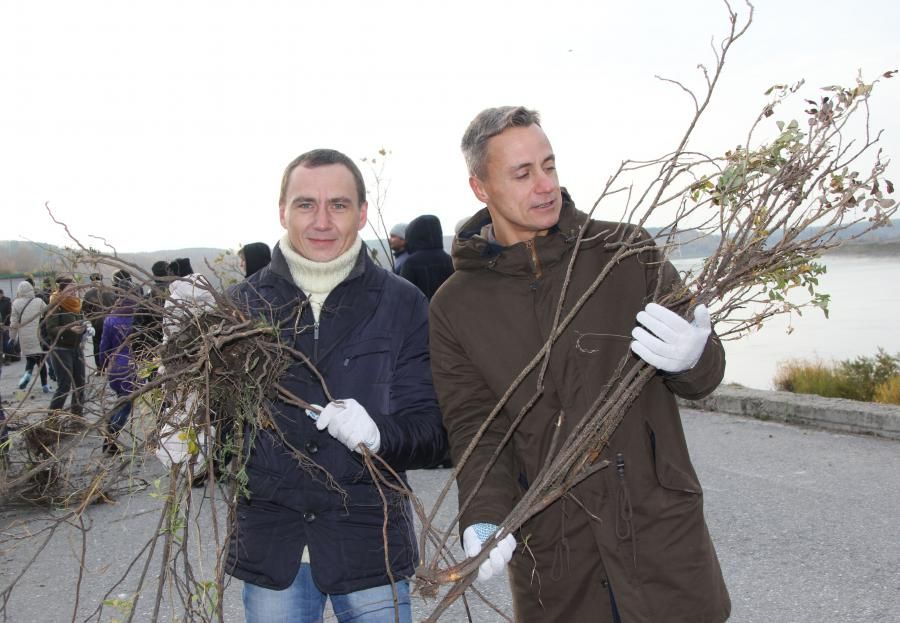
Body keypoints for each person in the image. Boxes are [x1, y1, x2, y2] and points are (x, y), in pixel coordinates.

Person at [429, 107, 730, 622]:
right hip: (556, 547)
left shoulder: (626, 252)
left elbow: (704, 377)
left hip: (658, 530)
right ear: (480, 188)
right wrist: (482, 516)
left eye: (549, 165)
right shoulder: (454, 306)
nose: (545, 185)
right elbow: (476, 427)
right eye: (522, 174)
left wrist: (694, 357)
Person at [174, 148, 447, 622]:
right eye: (305, 204)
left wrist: (380, 434)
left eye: (338, 205)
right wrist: (186, 429)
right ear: (282, 211)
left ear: (362, 214)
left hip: (370, 547)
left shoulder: (403, 304)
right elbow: (221, 433)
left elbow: (433, 432)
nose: (322, 220)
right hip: (274, 550)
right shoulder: (240, 308)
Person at [98, 271, 140, 455]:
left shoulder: (110, 319)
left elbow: (103, 346)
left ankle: (110, 436)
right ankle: (110, 438)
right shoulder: (137, 318)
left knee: (121, 400)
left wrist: (102, 364)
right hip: (130, 368)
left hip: (115, 368)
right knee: (126, 405)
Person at [46, 276, 87, 417]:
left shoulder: (76, 304)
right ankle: (52, 419)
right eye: (71, 289)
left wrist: (85, 328)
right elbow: (50, 329)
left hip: (77, 348)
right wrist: (69, 329)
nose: (75, 292)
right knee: (64, 386)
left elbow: (82, 321)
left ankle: (77, 417)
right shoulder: (55, 304)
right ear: (62, 290)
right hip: (61, 349)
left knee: (80, 384)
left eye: (76, 289)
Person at [399, 214, 454, 301]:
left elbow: (404, 295)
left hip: (419, 312)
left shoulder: (411, 263)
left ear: (413, 234)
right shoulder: (449, 259)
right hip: (448, 312)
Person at [9, 280, 50, 393]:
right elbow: (48, 313)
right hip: (38, 335)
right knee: (41, 361)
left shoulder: (16, 303)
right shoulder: (38, 301)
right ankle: (45, 385)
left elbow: (13, 323)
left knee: (30, 359)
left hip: (24, 336)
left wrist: (12, 337)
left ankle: (27, 374)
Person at [82, 273, 117, 370]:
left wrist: (91, 318)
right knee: (110, 343)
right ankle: (111, 365)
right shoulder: (111, 291)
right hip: (111, 322)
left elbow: (84, 309)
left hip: (96, 323)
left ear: (92, 281)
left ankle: (100, 367)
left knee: (97, 344)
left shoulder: (88, 294)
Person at [0, 288, 15, 363]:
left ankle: (8, 358)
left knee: (7, 342)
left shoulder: (7, 301)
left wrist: (5, 322)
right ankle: (3, 358)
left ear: (2, 294)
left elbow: (10, 314)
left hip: (6, 325)